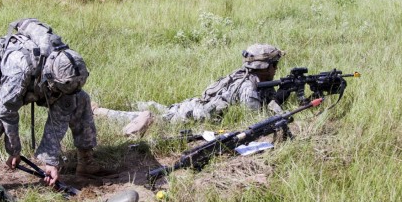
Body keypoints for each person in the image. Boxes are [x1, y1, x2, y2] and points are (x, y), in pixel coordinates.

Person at [0, 32, 110, 187]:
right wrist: (14, 151)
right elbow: (6, 110)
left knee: (78, 99)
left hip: (41, 80)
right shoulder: (19, 69)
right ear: (50, 77)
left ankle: (86, 162)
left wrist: (50, 162)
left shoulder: (66, 65)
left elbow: (59, 118)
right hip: (2, 73)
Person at [93, 44, 287, 135]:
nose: (276, 68)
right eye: (275, 64)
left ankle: (106, 102)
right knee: (148, 117)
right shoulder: (249, 87)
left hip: (192, 105)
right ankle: (99, 111)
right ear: (266, 67)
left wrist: (280, 94)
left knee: (155, 106)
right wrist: (280, 104)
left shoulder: (242, 74)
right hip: (191, 116)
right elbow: (256, 120)